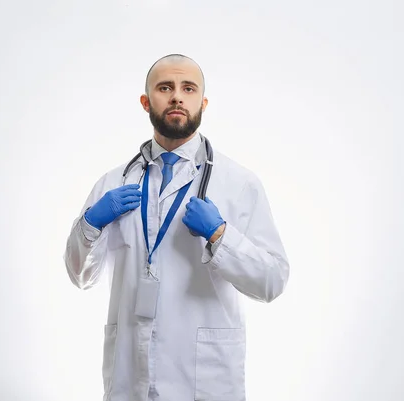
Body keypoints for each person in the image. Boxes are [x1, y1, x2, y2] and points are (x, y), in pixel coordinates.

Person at [64, 54, 290, 401]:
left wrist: (220, 235)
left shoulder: (239, 184)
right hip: (129, 376)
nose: (177, 97)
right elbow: (81, 276)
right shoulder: (113, 182)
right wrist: (92, 223)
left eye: (188, 88)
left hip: (203, 380)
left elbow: (272, 281)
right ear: (146, 101)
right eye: (164, 87)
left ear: (203, 102)